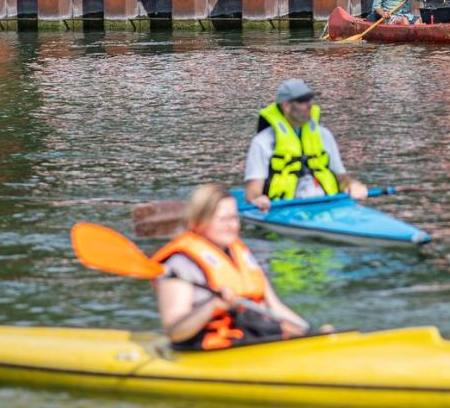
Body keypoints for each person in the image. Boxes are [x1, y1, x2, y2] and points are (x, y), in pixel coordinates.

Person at [153, 184, 311, 350]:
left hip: (250, 339)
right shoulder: (180, 264)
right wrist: (212, 305)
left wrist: (310, 333)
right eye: (223, 219)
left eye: (234, 218)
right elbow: (174, 332)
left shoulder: (240, 254)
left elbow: (274, 307)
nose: (232, 226)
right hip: (206, 351)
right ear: (199, 222)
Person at [244, 78, 368, 211]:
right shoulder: (263, 141)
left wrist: (353, 185)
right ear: (286, 106)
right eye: (302, 101)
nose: (309, 105)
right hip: (284, 207)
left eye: (310, 99)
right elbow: (253, 190)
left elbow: (342, 178)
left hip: (326, 203)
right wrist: (258, 199)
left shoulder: (324, 135)